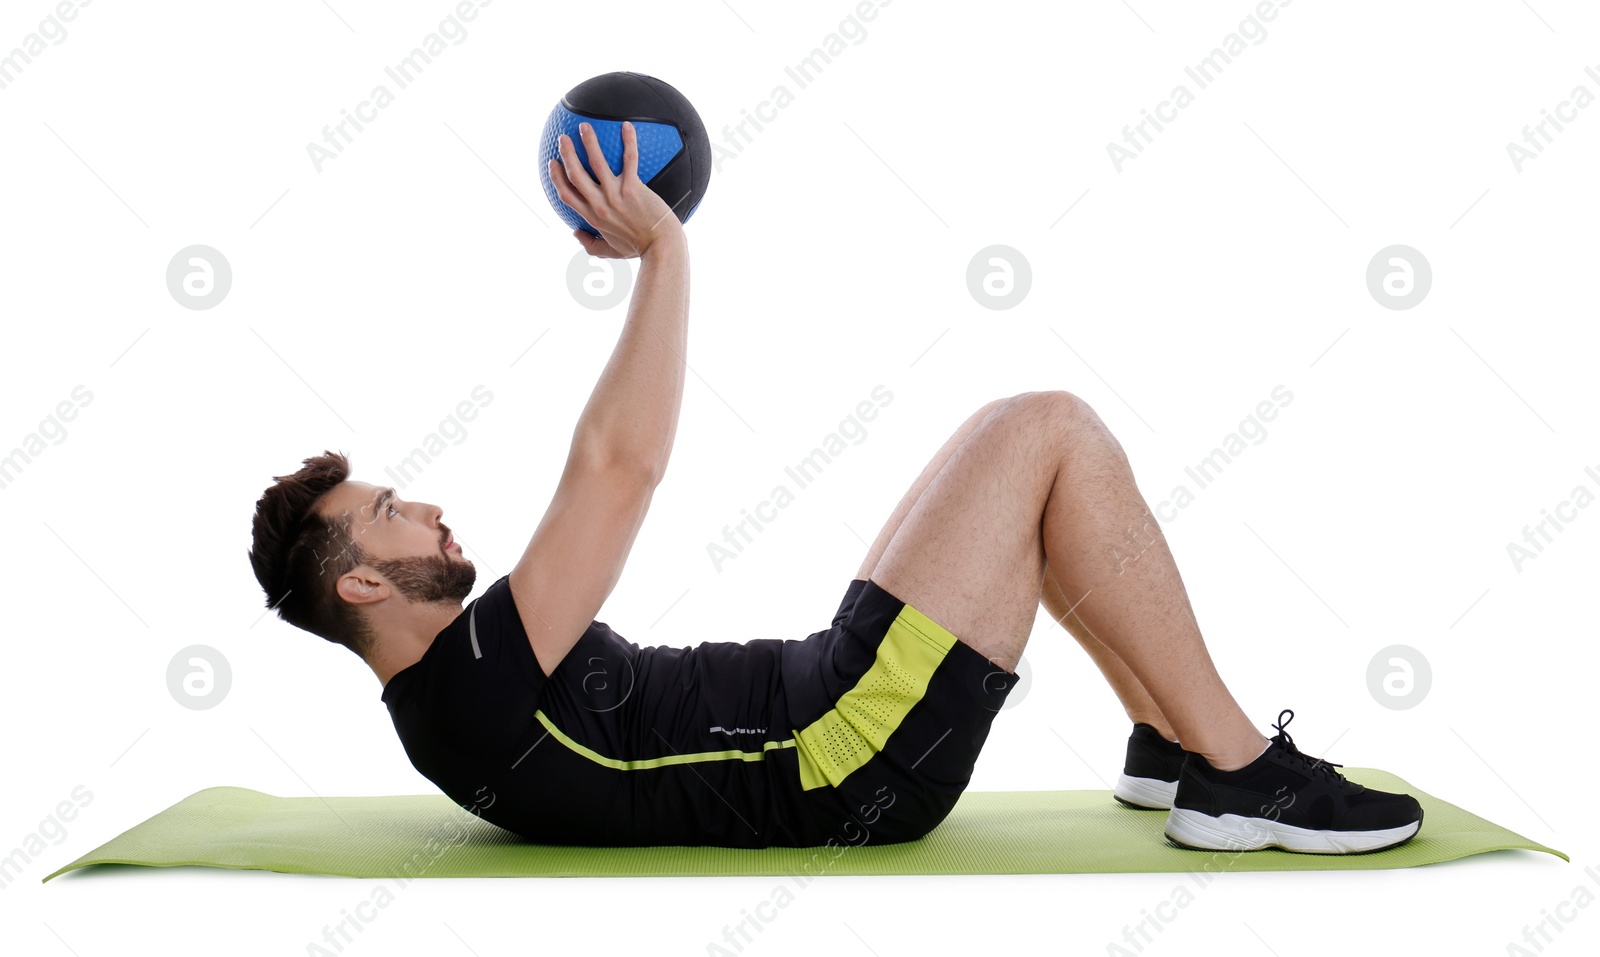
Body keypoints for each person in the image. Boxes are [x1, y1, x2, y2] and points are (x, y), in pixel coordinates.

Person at [247, 119, 1422, 854]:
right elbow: (620, 467)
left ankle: (1166, 742)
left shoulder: (457, 691)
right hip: (846, 756)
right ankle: (1239, 776)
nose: (431, 509)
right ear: (359, 583)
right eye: (393, 515)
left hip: (824, 697)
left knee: (1013, 437)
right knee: (1051, 430)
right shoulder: (466, 692)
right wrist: (665, 253)